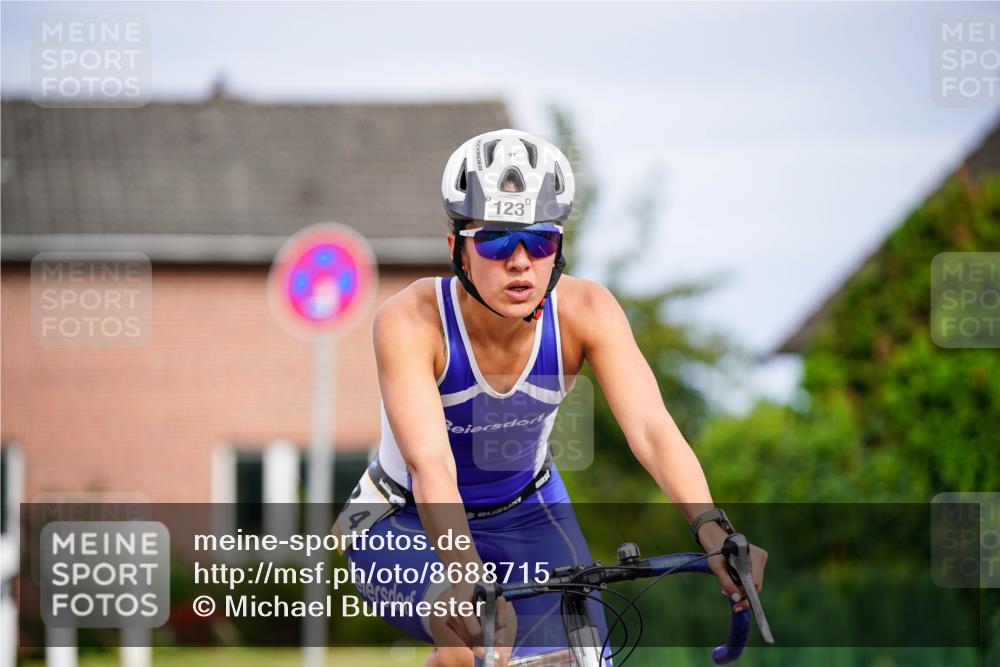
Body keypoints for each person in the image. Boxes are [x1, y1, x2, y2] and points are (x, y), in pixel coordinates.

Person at [338, 129, 767, 666]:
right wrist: (468, 579)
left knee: (578, 660)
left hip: (529, 513)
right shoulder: (410, 321)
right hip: (401, 521)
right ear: (458, 250)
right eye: (496, 241)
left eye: (539, 241)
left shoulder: (586, 311)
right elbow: (432, 469)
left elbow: (652, 430)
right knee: (474, 644)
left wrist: (713, 529)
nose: (520, 261)